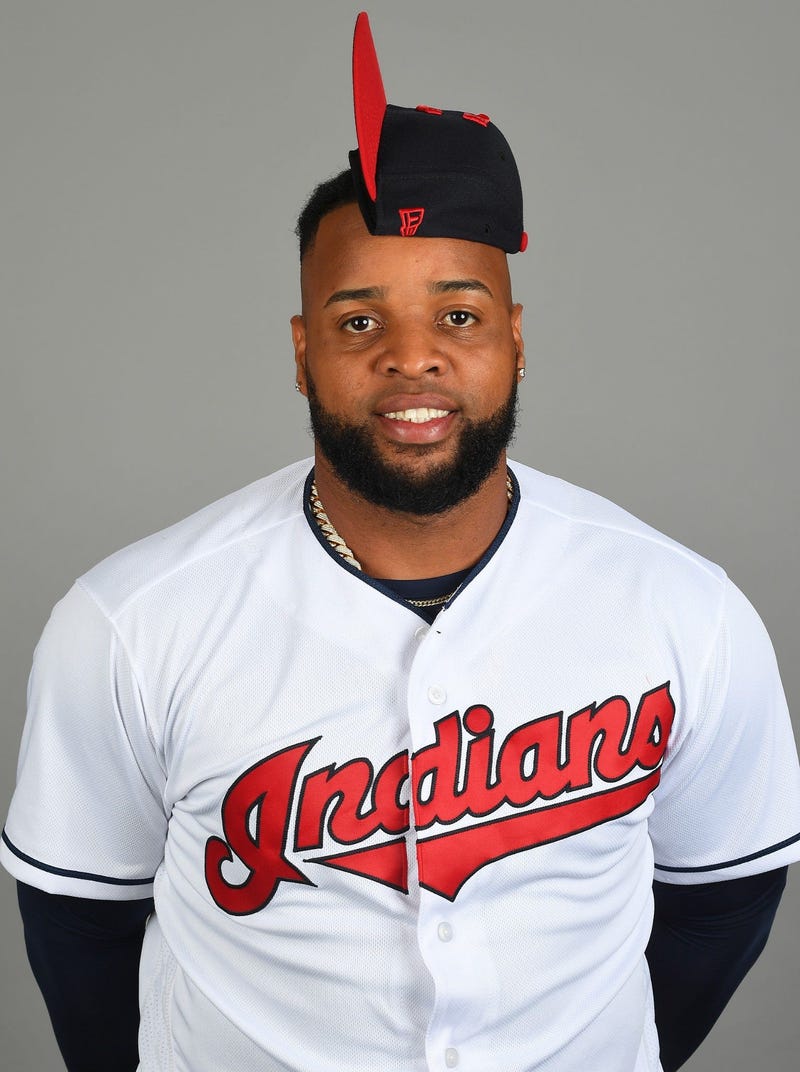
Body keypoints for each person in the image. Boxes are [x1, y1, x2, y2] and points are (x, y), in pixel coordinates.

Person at [3, 12, 799, 1072]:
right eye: (358, 322)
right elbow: (78, 928)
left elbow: (723, 900)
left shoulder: (684, 610)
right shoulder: (132, 623)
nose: (411, 358)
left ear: (516, 340)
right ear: (302, 353)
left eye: (459, 317)